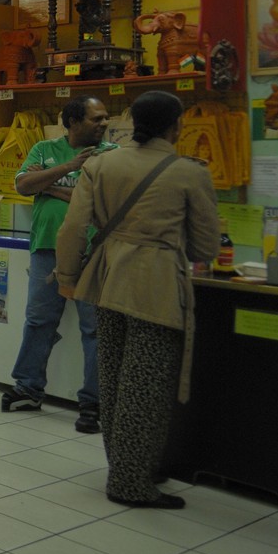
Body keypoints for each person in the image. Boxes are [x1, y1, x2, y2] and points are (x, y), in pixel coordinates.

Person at [55, 91, 219, 509]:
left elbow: (73, 229)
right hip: (157, 288)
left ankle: (128, 464)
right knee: (145, 387)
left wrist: (68, 278)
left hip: (106, 282)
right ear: (175, 126)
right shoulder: (189, 173)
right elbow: (204, 246)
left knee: (112, 382)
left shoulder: (101, 164)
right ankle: (130, 482)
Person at [3, 96, 113, 432]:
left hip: (93, 252)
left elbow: (98, 200)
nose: (104, 124)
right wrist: (67, 168)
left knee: (94, 328)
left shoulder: (111, 155)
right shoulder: (43, 149)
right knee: (38, 320)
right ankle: (28, 388)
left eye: (105, 118)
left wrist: (48, 186)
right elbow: (22, 184)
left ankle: (93, 404)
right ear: (74, 122)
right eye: (96, 118)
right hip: (46, 248)